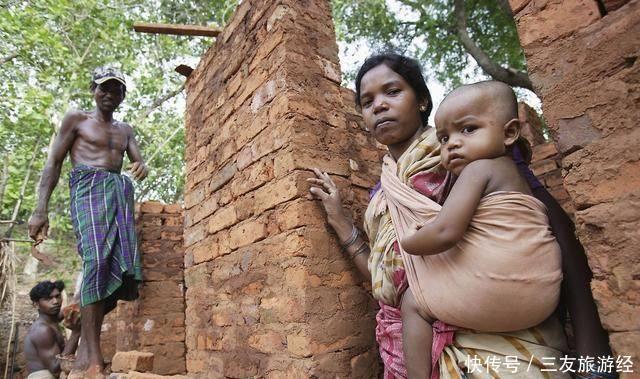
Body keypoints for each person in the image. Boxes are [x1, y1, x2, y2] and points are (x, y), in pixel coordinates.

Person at [308, 53, 614, 379]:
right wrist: (341, 222)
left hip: (493, 336)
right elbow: (389, 280)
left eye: (392, 92)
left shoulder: (468, 150)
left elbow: (552, 230)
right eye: (367, 102)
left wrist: (591, 350)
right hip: (409, 345)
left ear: (422, 100)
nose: (379, 105)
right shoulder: (381, 193)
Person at [397, 81, 564, 378]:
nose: (453, 144)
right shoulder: (515, 176)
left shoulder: (479, 170)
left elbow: (445, 231)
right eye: (444, 138)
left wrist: (410, 242)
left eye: (468, 129)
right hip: (543, 296)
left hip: (498, 292)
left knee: (412, 302)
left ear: (510, 132)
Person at [28, 66, 148, 378]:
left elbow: (137, 160)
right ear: (93, 89)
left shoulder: (126, 130)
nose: (109, 95)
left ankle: (82, 336)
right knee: (95, 261)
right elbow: (53, 162)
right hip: (88, 191)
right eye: (104, 88)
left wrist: (140, 166)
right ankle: (94, 357)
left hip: (118, 195)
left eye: (116, 90)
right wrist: (40, 209)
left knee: (120, 270)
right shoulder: (76, 119)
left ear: (123, 96)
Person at [24, 280, 80, 379]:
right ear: (36, 304)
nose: (55, 302)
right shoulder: (42, 330)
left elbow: (65, 311)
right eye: (48, 298)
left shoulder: (51, 319)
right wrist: (76, 332)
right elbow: (55, 367)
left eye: (57, 296)